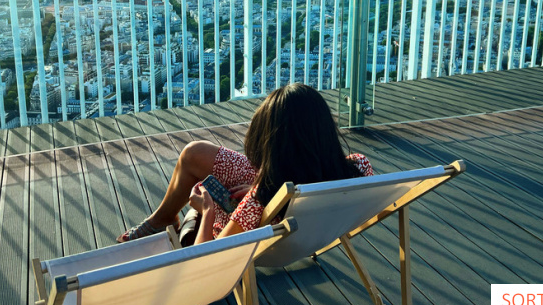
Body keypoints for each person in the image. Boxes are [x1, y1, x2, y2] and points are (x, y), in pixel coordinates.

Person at [116, 83, 374, 245]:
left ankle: (171, 219)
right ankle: (162, 218)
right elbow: (307, 170)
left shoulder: (255, 203)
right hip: (291, 189)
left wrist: (207, 210)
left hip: (274, 203)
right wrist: (263, 184)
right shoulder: (359, 167)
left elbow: (206, 263)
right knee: (194, 153)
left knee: (202, 179)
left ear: (272, 146)